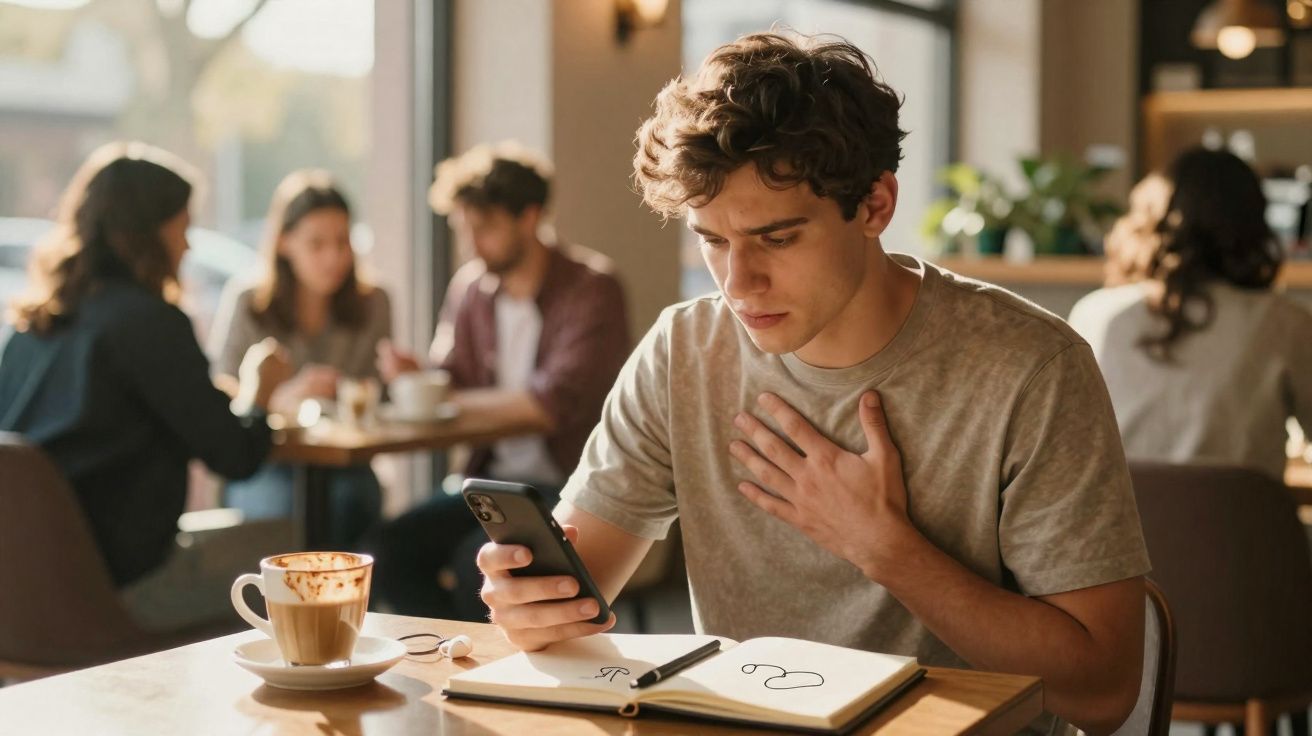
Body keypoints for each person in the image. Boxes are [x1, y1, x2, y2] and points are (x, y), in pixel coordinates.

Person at [474, 33, 1152, 735]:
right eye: (712, 240)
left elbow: (1102, 694)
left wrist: (886, 549)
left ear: (875, 205)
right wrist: (534, 606)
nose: (738, 283)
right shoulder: (684, 351)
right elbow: (568, 611)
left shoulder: (1033, 369)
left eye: (776, 238)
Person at [0, 141, 293, 631]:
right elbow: (236, 456)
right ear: (148, 232)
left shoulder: (30, 329)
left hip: (21, 598)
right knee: (299, 548)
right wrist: (258, 392)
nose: (188, 244)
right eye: (182, 225)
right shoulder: (152, 323)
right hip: (125, 588)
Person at [367, 142, 630, 620]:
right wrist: (418, 381)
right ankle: (447, 658)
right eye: (464, 229)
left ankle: (491, 671)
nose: (471, 245)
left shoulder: (593, 289)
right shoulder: (471, 290)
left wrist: (447, 398)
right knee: (388, 550)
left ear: (529, 217)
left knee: (480, 567)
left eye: (484, 228)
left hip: (571, 486)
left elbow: (550, 404)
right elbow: (447, 379)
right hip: (489, 483)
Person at [1070, 147, 1312, 481]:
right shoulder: (1288, 324)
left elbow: (1067, 448)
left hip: (1119, 530)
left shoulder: (1096, 315)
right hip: (1243, 530)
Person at [208, 170, 391, 546]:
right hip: (267, 464)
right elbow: (218, 393)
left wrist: (391, 383)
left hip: (346, 464)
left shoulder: (373, 303)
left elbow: (380, 398)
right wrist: (278, 398)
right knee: (294, 517)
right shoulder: (249, 302)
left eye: (343, 242)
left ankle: (338, 605)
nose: (334, 257)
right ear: (284, 243)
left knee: (351, 502)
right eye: (317, 244)